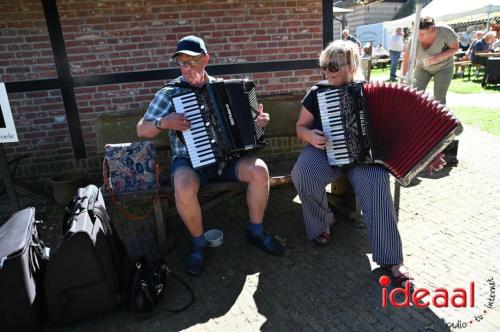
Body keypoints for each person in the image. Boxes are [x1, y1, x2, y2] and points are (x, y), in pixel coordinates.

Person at [291, 40, 446, 287]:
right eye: (325, 66)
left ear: (351, 66)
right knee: (303, 173)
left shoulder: (372, 91)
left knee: (377, 184)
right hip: (325, 151)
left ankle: (391, 259)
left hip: (365, 159)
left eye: (334, 66)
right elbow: (301, 127)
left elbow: (403, 132)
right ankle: (322, 222)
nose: (327, 71)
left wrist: (428, 154)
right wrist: (309, 136)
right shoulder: (317, 92)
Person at [137, 35, 284, 276]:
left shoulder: (224, 88)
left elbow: (249, 125)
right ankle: (198, 243)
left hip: (226, 160)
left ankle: (256, 231)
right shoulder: (169, 92)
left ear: (206, 59)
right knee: (183, 186)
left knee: (260, 170)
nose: (185, 68)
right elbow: (142, 129)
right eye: (181, 62)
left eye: (191, 62)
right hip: (190, 162)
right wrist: (163, 122)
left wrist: (259, 123)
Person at [401, 17, 459, 105]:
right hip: (422, 68)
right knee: (414, 95)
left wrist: (436, 58)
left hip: (444, 67)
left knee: (439, 99)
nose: (418, 37)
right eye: (416, 33)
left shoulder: (445, 32)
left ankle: (439, 118)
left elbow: (455, 48)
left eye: (422, 34)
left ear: (432, 29)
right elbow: (406, 60)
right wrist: (404, 77)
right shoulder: (413, 40)